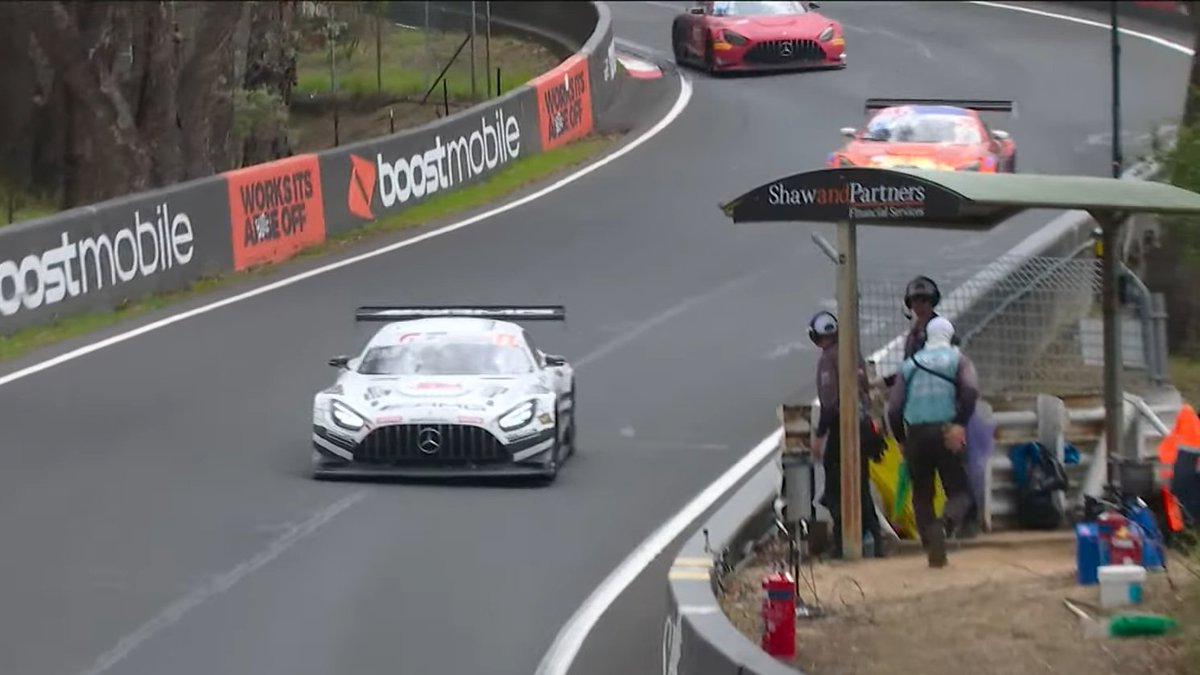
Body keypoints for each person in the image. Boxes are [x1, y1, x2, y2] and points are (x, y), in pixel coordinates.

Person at [885, 316, 980, 568]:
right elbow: (970, 392)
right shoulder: (958, 359)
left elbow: (894, 409)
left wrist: (901, 439)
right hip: (946, 430)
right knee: (960, 491)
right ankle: (945, 525)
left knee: (922, 493)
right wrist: (959, 424)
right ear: (950, 336)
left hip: (915, 433)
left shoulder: (910, 364)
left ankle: (931, 545)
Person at [809, 310, 887, 559]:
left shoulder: (828, 360)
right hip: (865, 428)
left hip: (844, 429)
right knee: (860, 484)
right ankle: (875, 539)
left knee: (836, 488)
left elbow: (832, 405)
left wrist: (819, 436)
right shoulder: (853, 353)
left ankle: (843, 543)